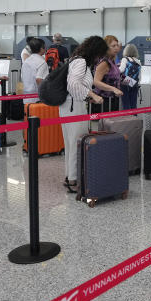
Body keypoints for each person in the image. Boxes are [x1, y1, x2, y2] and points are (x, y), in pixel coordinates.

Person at [60, 36, 108, 190]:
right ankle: (73, 179)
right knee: (76, 142)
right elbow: (73, 84)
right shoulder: (81, 62)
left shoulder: (76, 60)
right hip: (75, 107)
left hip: (69, 105)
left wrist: (88, 96)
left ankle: (70, 175)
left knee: (70, 142)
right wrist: (93, 95)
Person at [92, 35, 124, 109]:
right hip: (103, 101)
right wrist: (113, 89)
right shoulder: (104, 62)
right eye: (113, 46)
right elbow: (96, 82)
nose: (116, 48)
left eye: (117, 45)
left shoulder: (111, 61)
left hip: (112, 100)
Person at [21, 37, 48, 105]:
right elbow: (39, 79)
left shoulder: (27, 61)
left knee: (28, 114)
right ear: (41, 49)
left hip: (26, 96)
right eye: (45, 47)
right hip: (37, 98)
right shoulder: (42, 62)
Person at [118, 43, 142, 110]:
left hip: (126, 81)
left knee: (125, 102)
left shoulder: (125, 59)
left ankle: (127, 118)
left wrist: (116, 68)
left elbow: (121, 70)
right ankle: (134, 118)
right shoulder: (138, 61)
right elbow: (139, 75)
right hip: (134, 83)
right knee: (133, 103)